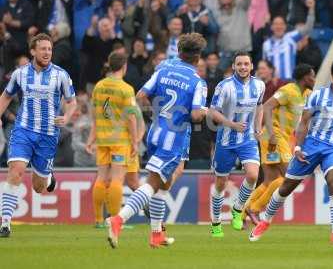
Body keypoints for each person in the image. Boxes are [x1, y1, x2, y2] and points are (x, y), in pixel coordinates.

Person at [106, 33, 208, 248]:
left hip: (155, 131)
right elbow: (197, 115)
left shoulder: (163, 68)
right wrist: (205, 110)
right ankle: (118, 219)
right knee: (153, 183)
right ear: (198, 57)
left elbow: (141, 95)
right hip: (174, 137)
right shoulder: (198, 82)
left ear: (179, 52)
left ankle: (156, 235)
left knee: (164, 182)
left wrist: (158, 111)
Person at [249, 58, 333, 245]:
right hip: (310, 147)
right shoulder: (316, 96)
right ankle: (265, 220)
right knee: (285, 187)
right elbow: (303, 124)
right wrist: (299, 147)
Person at [0, 33, 77, 237]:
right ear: (33, 51)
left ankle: (47, 175)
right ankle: (5, 223)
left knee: (38, 187)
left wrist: (67, 117)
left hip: (48, 135)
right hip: (23, 130)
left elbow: (71, 102)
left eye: (50, 49)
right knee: (15, 171)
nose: (47, 53)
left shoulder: (61, 75)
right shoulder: (20, 74)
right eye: (43, 49)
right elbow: (6, 96)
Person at [243, 63, 315, 225]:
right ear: (305, 78)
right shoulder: (288, 90)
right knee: (289, 176)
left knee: (269, 181)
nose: (314, 79)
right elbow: (267, 107)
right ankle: (255, 209)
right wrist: (272, 134)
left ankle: (242, 214)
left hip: (281, 138)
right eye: (312, 75)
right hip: (273, 136)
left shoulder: (308, 94)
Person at [209, 51, 265, 237]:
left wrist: (257, 127)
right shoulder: (224, 86)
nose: (242, 67)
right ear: (233, 66)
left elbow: (259, 106)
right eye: (239, 64)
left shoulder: (259, 85)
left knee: (252, 175)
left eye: (246, 64)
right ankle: (216, 222)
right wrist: (231, 124)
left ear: (251, 66)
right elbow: (213, 112)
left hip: (247, 139)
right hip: (225, 140)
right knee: (220, 183)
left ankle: (237, 209)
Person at [86, 51, 145, 228]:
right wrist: (135, 141)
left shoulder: (98, 86)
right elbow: (131, 118)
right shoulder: (126, 89)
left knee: (101, 179)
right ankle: (114, 220)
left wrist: (91, 139)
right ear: (124, 66)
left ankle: (98, 220)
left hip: (103, 140)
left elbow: (95, 115)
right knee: (117, 180)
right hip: (120, 141)